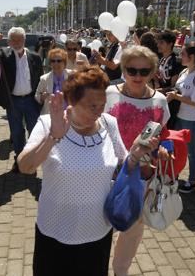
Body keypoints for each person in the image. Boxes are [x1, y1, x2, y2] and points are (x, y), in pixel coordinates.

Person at [17, 67, 159, 276]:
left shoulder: (109, 124)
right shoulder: (49, 124)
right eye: (92, 106)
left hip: (97, 234)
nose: (98, 112)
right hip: (54, 232)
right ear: (71, 101)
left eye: (102, 105)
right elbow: (25, 167)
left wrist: (136, 155)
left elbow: (120, 168)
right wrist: (53, 138)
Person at [104, 46, 170, 276]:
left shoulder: (160, 100)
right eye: (132, 70)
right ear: (123, 69)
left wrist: (163, 147)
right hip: (108, 173)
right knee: (101, 225)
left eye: (144, 71)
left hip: (142, 176)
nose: (138, 76)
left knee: (132, 228)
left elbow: (165, 133)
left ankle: (120, 271)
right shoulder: (109, 94)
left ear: (152, 72)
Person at [0, 27, 43, 163]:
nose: (17, 42)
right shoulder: (4, 55)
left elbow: (40, 79)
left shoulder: (35, 57)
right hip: (13, 101)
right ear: (9, 41)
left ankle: (31, 157)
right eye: (13, 40)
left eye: (19, 39)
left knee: (34, 130)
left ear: (24, 40)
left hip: (31, 100)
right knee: (16, 132)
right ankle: (19, 158)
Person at [166, 42, 195, 193]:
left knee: (191, 151)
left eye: (183, 54)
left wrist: (175, 96)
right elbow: (177, 90)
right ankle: (175, 175)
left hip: (192, 119)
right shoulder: (184, 72)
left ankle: (192, 181)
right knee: (176, 148)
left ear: (192, 57)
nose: (180, 56)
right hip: (179, 116)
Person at [35, 48, 72, 114]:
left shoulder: (72, 75)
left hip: (68, 114)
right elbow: (37, 95)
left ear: (64, 62)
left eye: (59, 61)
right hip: (50, 114)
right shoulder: (44, 78)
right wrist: (42, 97)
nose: (55, 63)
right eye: (53, 61)